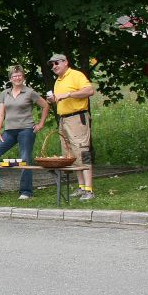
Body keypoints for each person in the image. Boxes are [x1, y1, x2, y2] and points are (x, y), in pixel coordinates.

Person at [0, 65, 49, 199]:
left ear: (23, 77)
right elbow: (1, 114)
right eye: (14, 76)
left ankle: (26, 191)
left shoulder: (30, 92)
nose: (17, 78)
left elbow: (46, 105)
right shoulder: (4, 93)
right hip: (9, 131)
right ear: (10, 79)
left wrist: (40, 124)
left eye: (19, 75)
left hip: (26, 130)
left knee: (25, 158)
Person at [47, 53, 96, 200]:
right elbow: (60, 100)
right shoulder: (58, 81)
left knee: (82, 151)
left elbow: (89, 91)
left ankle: (89, 189)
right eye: (52, 64)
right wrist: (53, 100)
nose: (54, 66)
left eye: (56, 63)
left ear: (65, 62)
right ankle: (81, 187)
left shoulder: (76, 75)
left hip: (77, 118)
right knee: (71, 154)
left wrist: (67, 94)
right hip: (64, 120)